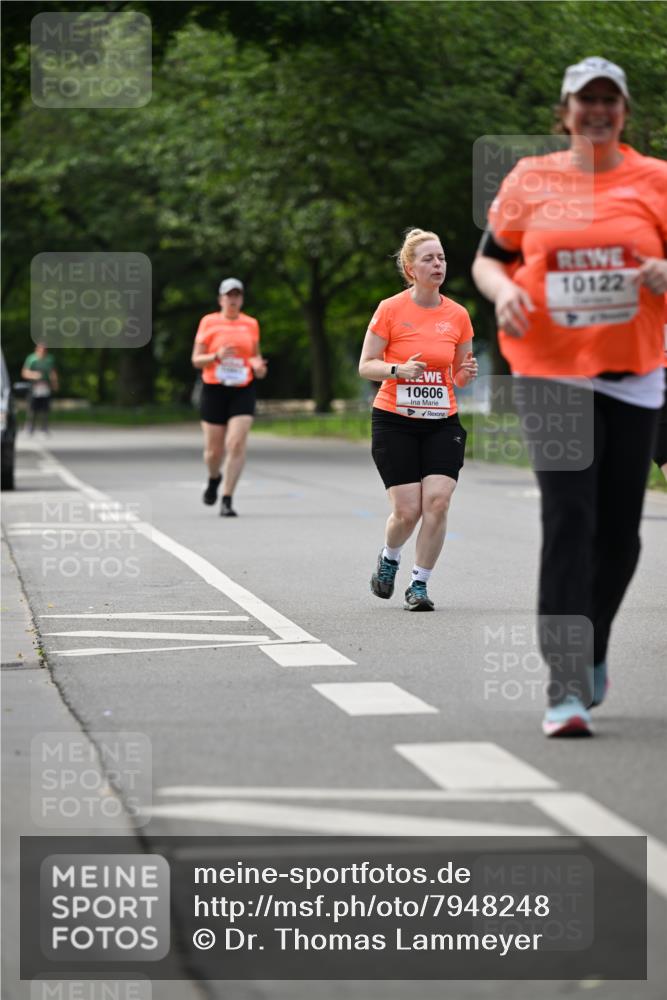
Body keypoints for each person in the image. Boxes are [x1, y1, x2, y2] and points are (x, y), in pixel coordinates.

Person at [472, 57, 667, 736]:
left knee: (618, 533)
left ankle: (593, 650)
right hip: (549, 370)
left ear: (623, 111)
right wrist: (504, 294)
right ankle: (562, 686)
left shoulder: (655, 181)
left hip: (634, 373)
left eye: (608, 99)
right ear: (563, 111)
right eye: (585, 99)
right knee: (566, 518)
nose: (597, 110)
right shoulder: (531, 179)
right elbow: (489, 256)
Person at [359, 228, 478, 611]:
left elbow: (457, 376)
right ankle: (390, 557)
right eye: (429, 259)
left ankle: (419, 585)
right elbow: (366, 365)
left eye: (441, 258)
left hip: (442, 421)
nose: (438, 264)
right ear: (410, 269)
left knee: (438, 503)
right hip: (395, 419)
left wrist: (466, 374)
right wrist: (397, 370)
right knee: (407, 511)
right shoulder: (390, 309)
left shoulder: (457, 315)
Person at [191, 278, 267, 517]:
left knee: (235, 444)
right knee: (213, 452)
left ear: (241, 298)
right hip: (214, 388)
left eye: (237, 295)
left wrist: (259, 368)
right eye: (228, 295)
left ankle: (227, 498)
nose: (233, 299)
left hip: (242, 388)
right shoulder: (208, 322)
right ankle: (214, 477)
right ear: (221, 299)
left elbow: (256, 357)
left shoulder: (251, 324)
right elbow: (196, 359)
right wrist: (216, 356)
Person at [21, 342, 58, 434]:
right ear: (37, 349)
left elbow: (52, 372)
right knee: (32, 407)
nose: (43, 352)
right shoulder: (31, 359)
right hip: (34, 386)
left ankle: (44, 427)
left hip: (45, 386)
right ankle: (30, 427)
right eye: (41, 349)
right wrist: (34, 375)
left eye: (45, 350)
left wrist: (55, 383)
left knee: (45, 408)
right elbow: (24, 372)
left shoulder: (49, 359)